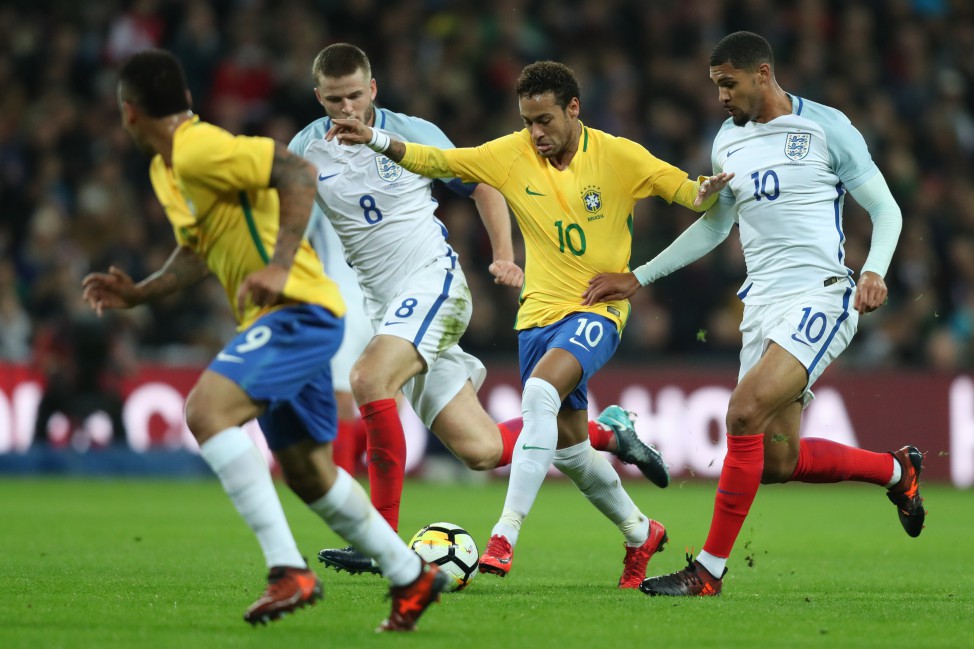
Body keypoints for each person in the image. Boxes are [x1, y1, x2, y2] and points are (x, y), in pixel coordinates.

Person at [82, 49, 449, 631]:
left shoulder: (201, 147)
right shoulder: (167, 168)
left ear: (129, 113)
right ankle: (411, 576)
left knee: (205, 411)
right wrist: (142, 293)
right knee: (309, 473)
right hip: (279, 318)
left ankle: (288, 571)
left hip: (298, 310)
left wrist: (280, 266)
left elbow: (296, 172)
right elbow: (201, 247)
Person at [327, 59, 731, 585]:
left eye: (544, 120)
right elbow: (436, 159)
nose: (535, 132)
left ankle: (504, 534)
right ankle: (639, 530)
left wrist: (710, 190)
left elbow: (688, 193)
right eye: (527, 121)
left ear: (573, 109)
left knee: (539, 394)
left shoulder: (618, 156)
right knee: (570, 450)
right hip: (536, 315)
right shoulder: (511, 154)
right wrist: (378, 140)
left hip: (597, 308)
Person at [584, 31, 925, 597]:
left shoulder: (827, 127)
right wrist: (638, 278)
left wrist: (874, 270)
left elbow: (886, 210)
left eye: (728, 83)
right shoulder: (726, 143)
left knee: (741, 413)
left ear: (762, 75)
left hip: (820, 294)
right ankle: (898, 471)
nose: (720, 95)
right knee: (777, 461)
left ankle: (708, 572)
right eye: (716, 84)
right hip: (761, 304)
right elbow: (718, 226)